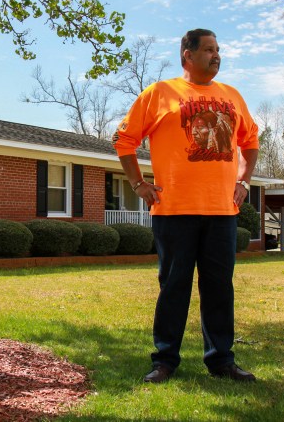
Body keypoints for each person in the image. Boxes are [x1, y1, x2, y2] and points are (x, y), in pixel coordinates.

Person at [112, 28, 260, 383]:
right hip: (175, 210)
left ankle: (221, 360)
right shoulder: (160, 93)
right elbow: (123, 139)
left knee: (219, 288)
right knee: (174, 287)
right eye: (209, 49)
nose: (216, 55)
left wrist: (244, 180)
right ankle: (164, 361)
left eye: (218, 49)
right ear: (187, 55)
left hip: (222, 211)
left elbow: (250, 140)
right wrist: (137, 183)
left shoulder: (232, 96)